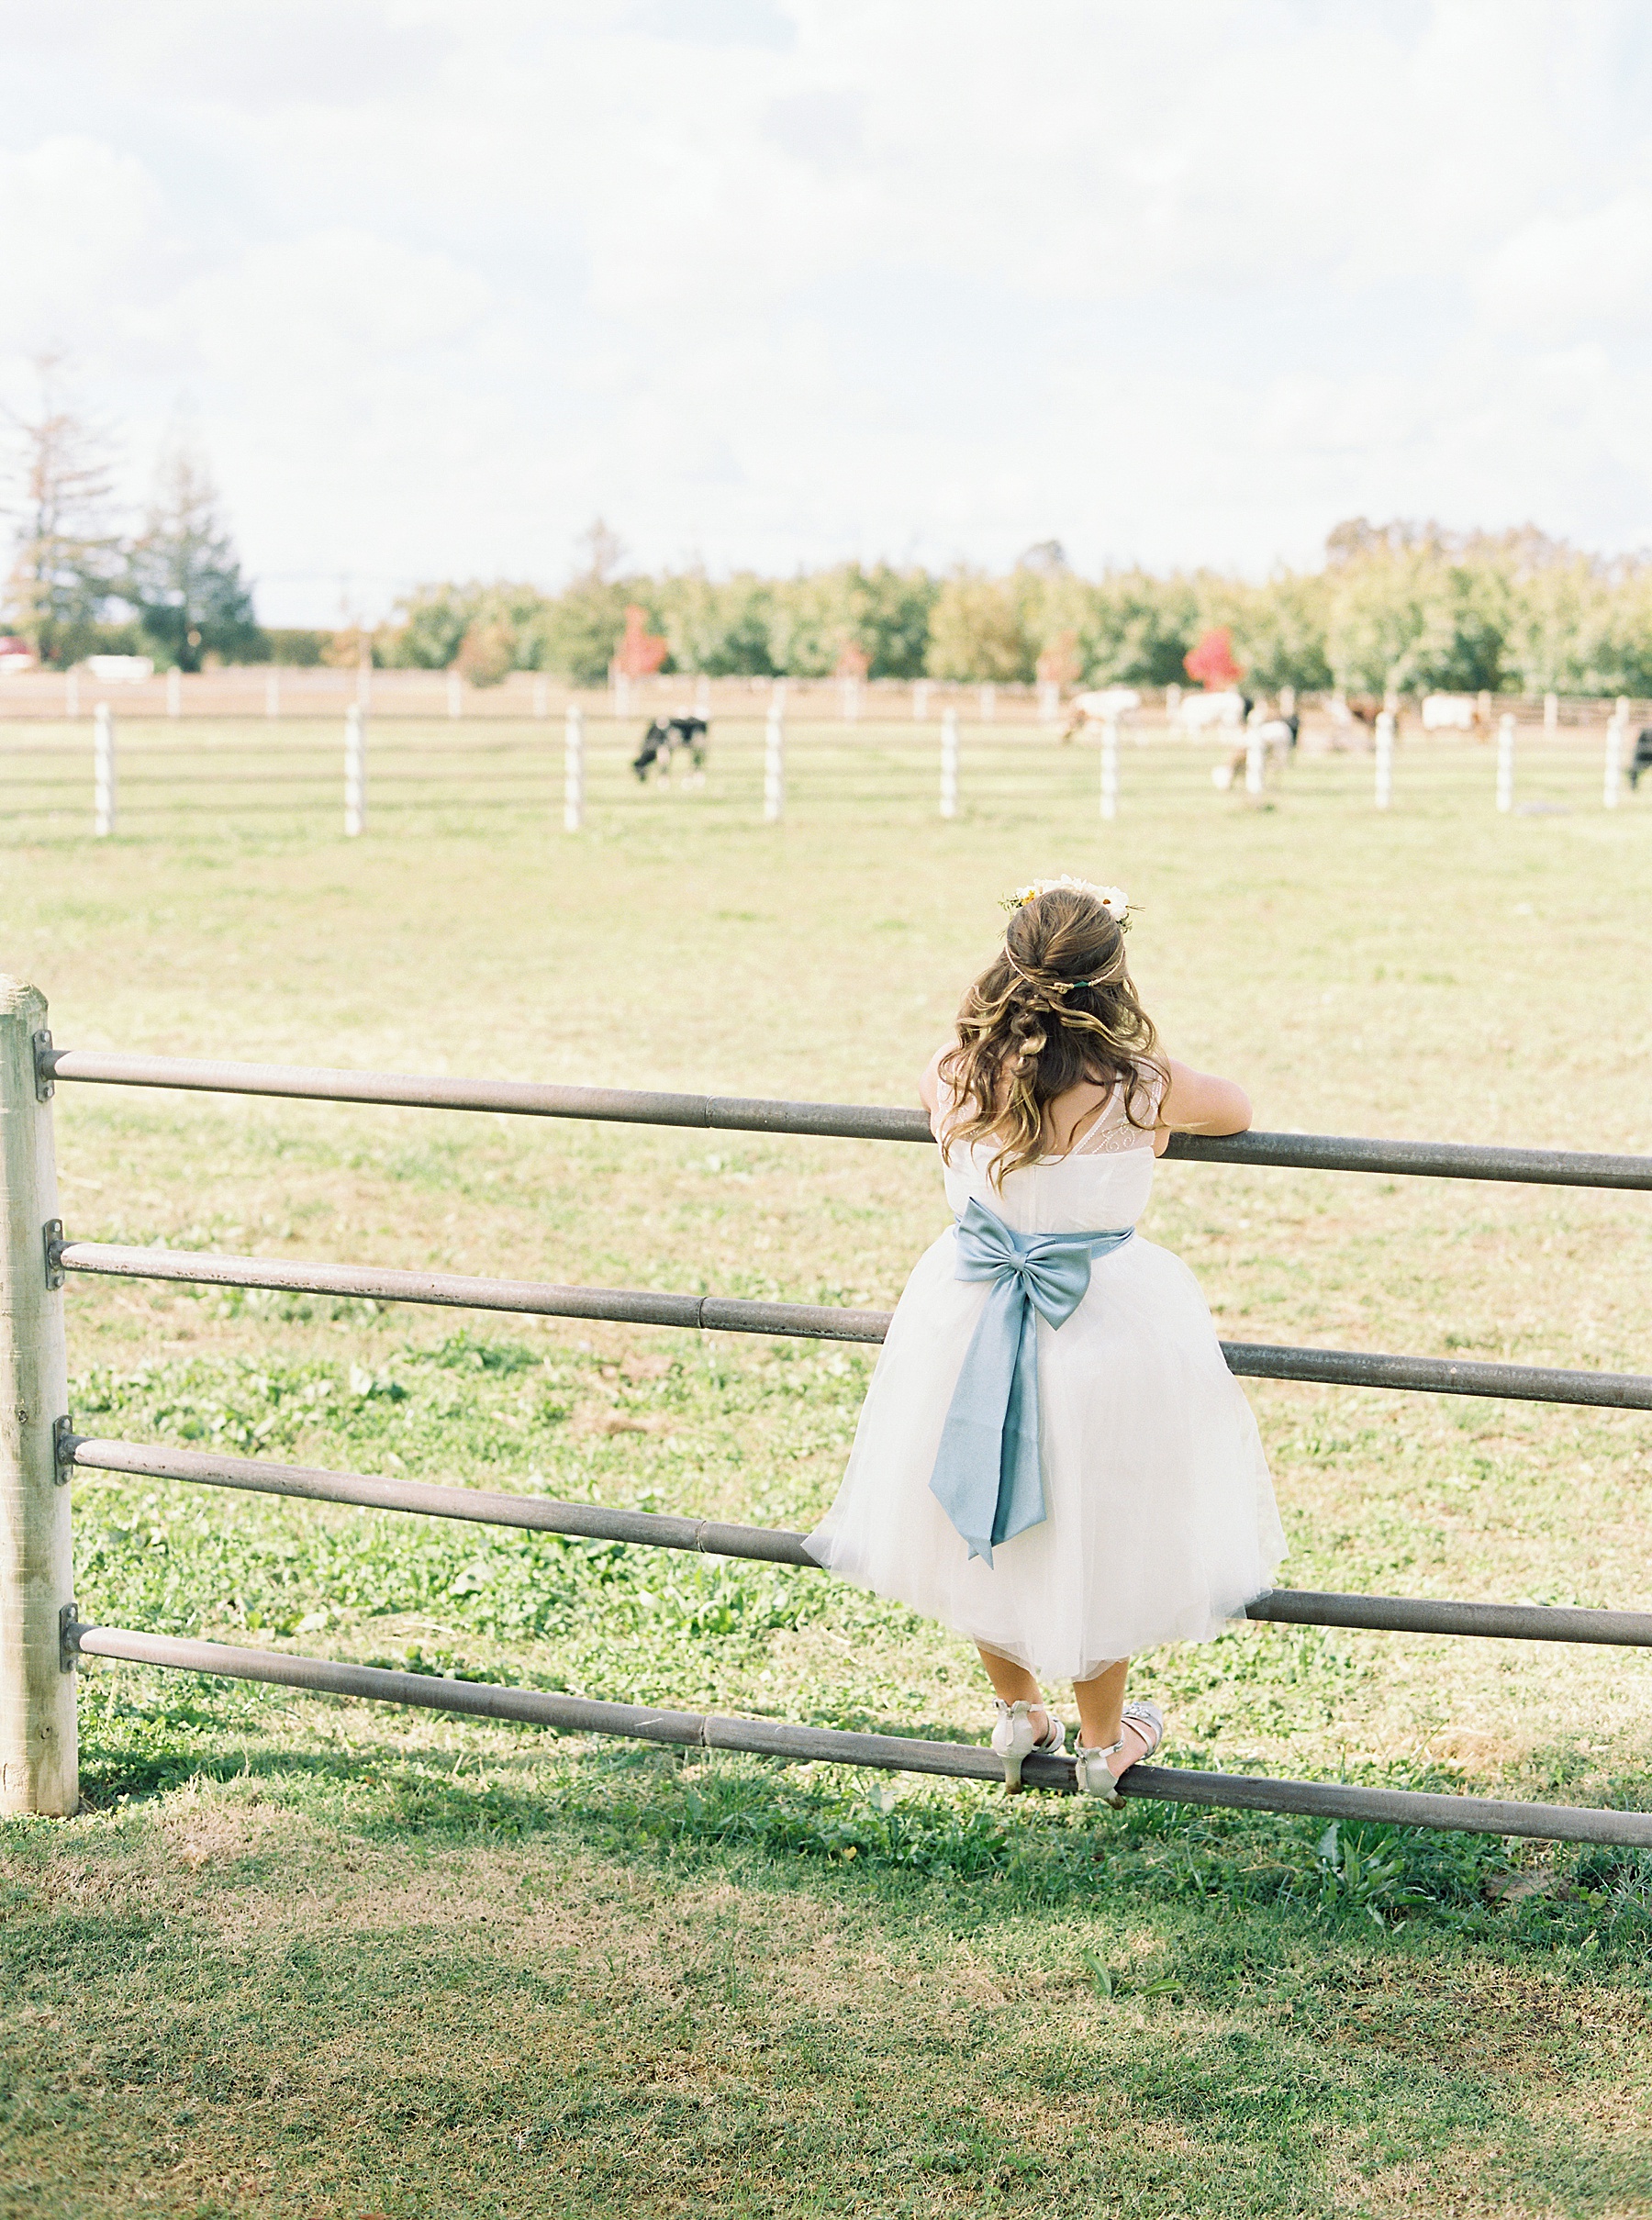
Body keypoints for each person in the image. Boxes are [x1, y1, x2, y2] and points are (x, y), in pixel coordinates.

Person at [807, 876, 1285, 1800]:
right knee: (1097, 1522)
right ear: (1115, 980)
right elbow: (1238, 1108)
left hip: (968, 1313)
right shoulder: (1142, 1085)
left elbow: (947, 1084)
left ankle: (1019, 1709)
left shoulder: (956, 1072)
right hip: (1100, 1324)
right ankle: (1104, 1744)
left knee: (980, 1511)